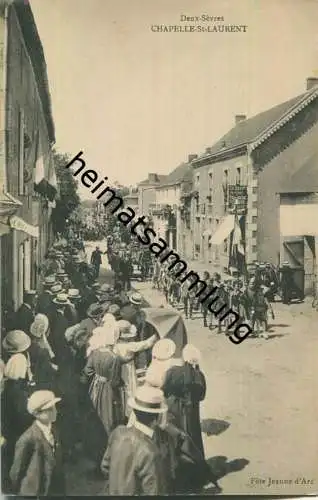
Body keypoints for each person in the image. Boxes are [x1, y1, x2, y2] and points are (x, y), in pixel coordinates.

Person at [100, 385, 172, 495]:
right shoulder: (151, 452)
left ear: (134, 411)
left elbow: (105, 467)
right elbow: (154, 491)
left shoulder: (117, 433)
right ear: (157, 417)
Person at [9, 390, 65, 496]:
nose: (55, 411)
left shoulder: (54, 431)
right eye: (49, 409)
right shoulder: (27, 439)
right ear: (37, 413)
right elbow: (16, 473)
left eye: (54, 407)